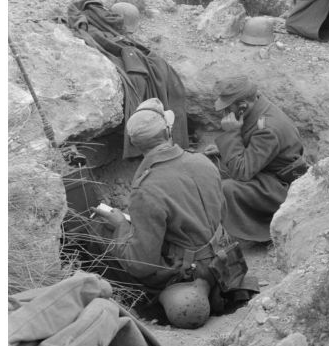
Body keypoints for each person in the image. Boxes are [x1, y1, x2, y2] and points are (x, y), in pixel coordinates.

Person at [90, 98, 255, 327]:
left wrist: (120, 225)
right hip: (224, 262)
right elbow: (222, 215)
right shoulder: (202, 161)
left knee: (96, 234)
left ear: (135, 144)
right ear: (168, 131)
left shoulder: (146, 189)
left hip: (186, 275)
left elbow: (142, 264)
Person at [206, 76, 308, 243]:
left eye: (227, 108)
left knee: (226, 188)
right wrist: (222, 149)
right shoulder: (258, 106)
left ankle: (247, 231)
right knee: (209, 165)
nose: (223, 113)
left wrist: (231, 134)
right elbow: (256, 144)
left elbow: (242, 172)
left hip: (279, 186)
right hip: (266, 169)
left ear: (242, 106)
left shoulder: (268, 128)